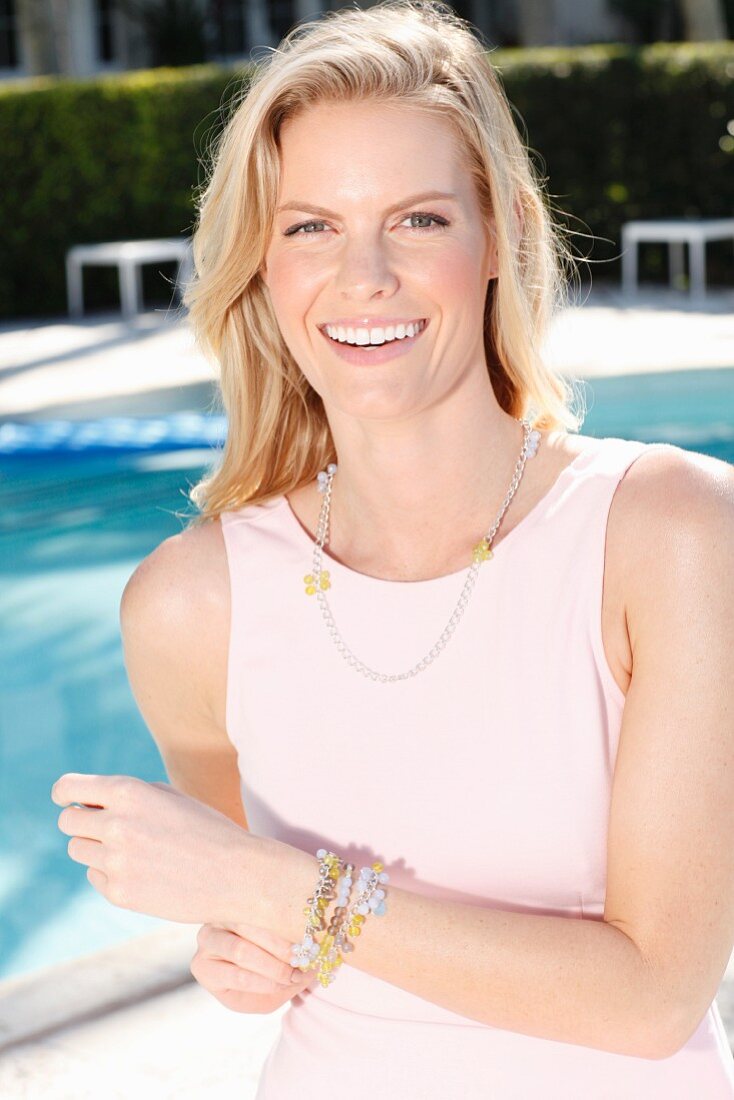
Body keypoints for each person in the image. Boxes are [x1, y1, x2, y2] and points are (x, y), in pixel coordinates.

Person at [117, 1, 734, 1096]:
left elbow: (650, 996)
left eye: (416, 220)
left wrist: (282, 892)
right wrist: (240, 944)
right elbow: (248, 917)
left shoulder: (668, 533)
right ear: (260, 264)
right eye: (309, 225)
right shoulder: (190, 603)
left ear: (497, 234)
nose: (364, 275)